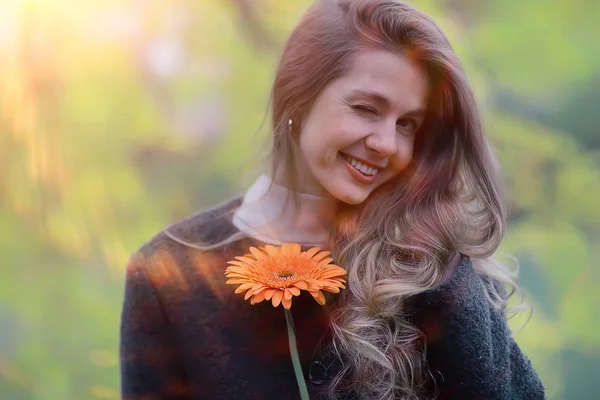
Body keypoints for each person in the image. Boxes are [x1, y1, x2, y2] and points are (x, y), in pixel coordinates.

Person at [119, 0, 545, 399]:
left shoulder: (426, 262)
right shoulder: (166, 274)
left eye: (409, 124)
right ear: (298, 98)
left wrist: (441, 258)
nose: (386, 144)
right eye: (366, 108)